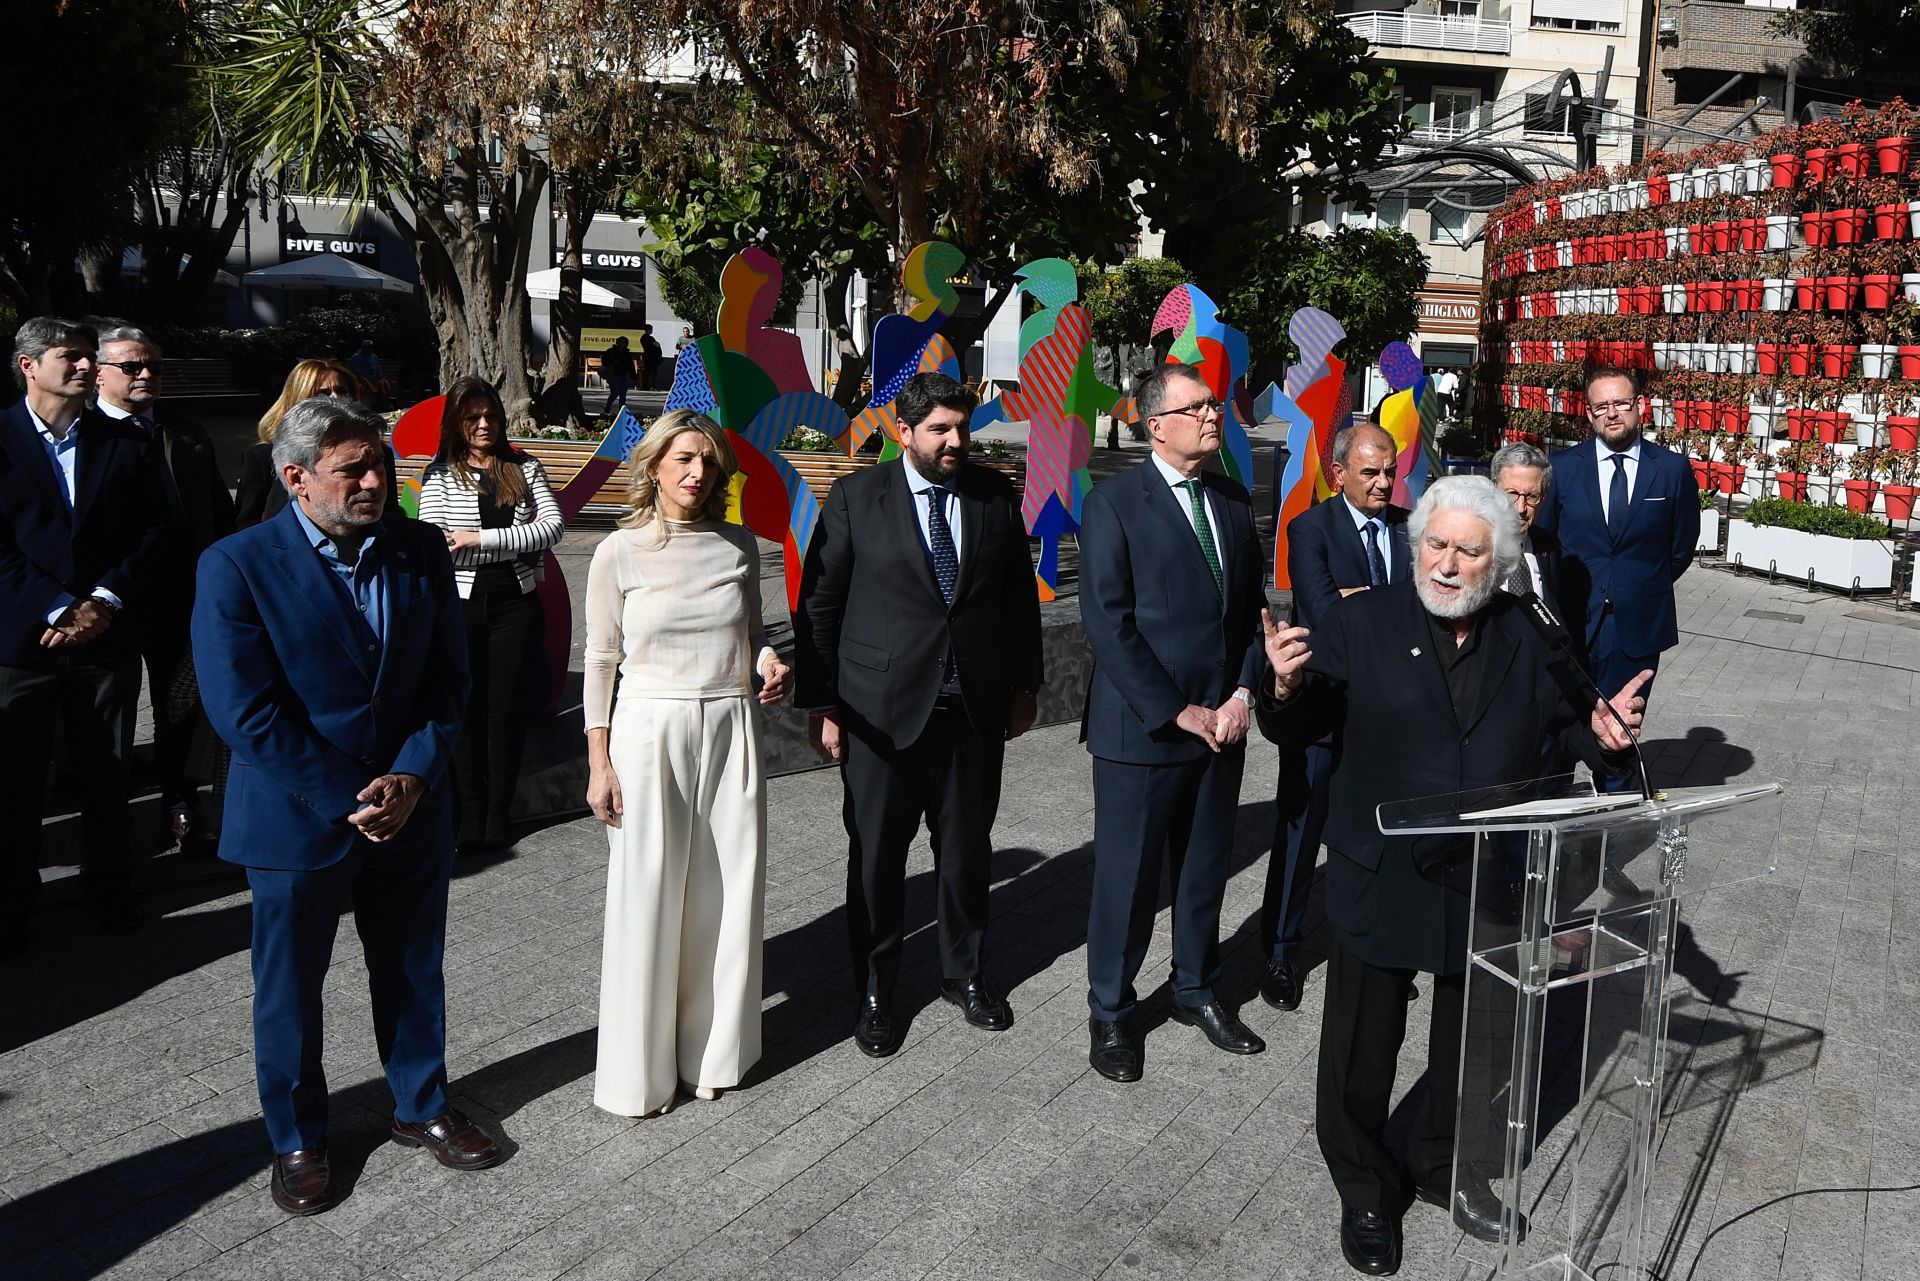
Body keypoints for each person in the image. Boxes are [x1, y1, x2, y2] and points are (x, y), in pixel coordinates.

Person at [1258, 475, 1649, 1276]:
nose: (1446, 562)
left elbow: (1575, 723)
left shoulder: (1530, 631)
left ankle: (1447, 1166)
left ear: (1498, 561)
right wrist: (1283, 684)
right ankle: (1365, 1184)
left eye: (1468, 550)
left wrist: (1607, 737)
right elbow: (1300, 727)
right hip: (1382, 866)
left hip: (1487, 874)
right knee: (1363, 1045)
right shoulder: (1360, 621)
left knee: (1477, 1043)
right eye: (1435, 543)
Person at [192, 396, 498, 1217]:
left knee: (410, 966)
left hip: (409, 807)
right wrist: (345, 796)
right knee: (290, 986)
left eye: (381, 465)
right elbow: (243, 710)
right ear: (295, 478)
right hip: (297, 818)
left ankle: (421, 1104)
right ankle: (297, 1137)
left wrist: (414, 775)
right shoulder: (236, 563)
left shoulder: (420, 548)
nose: (375, 480)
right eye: (352, 470)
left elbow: (448, 679)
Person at [795, 372, 1043, 1057]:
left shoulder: (994, 495)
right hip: (878, 715)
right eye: (939, 429)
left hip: (972, 712)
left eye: (962, 427)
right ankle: (876, 989)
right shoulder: (856, 497)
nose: (955, 440)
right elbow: (819, 606)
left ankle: (963, 974)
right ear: (903, 432)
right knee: (877, 859)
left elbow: (1019, 599)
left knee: (965, 854)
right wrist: (822, 704)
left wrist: (1025, 685)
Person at [582, 410, 792, 1115]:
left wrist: (767, 664)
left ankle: (713, 1055)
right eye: (682, 459)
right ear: (652, 466)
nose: (697, 472)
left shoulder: (740, 545)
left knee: (726, 896)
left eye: (707, 459)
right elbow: (601, 660)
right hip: (647, 729)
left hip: (732, 725)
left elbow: (753, 634)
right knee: (648, 896)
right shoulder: (620, 551)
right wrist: (598, 761)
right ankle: (637, 1075)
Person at [1076, 362, 1266, 1083]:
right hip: (1145, 729)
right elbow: (1108, 623)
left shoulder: (1229, 495)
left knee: (1203, 868)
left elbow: (1250, 611)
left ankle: (1194, 988)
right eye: (1199, 406)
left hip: (1221, 724)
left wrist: (1243, 693)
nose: (1215, 415)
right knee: (1127, 880)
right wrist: (1175, 708)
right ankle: (1112, 1009)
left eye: (1214, 404)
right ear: (1157, 424)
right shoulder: (1114, 503)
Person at [1, 317, 173, 949]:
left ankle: (112, 889)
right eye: (69, 356)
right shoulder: (2, 437)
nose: (82, 365)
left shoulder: (124, 439)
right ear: (28, 365)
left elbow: (155, 527)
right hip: (22, 643)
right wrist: (54, 607)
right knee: (17, 782)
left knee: (107, 774)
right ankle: (13, 905)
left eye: (85, 356)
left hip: (105, 637)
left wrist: (102, 600)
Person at [1259, 424, 1411, 1015]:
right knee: (1301, 834)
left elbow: (1430, 602)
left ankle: (1379, 943)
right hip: (1322, 708)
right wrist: (1384, 606)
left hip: (1390, 713)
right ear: (1339, 472)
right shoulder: (1310, 528)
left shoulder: (1408, 526)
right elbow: (1324, 615)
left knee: (1383, 833)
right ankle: (1279, 950)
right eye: (1370, 472)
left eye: (1389, 471)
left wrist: (1363, 599)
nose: (1382, 482)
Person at [93, 323, 238, 851]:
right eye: (132, 366)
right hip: (109, 603)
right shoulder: (85, 433)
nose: (147, 375)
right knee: (113, 715)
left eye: (153, 365)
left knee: (180, 707)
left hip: (185, 598)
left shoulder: (186, 430)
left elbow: (218, 515)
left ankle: (180, 802)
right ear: (99, 371)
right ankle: (107, 831)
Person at [417, 377, 564, 851]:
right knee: (464, 712)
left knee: (505, 713)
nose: (484, 425)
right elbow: (435, 542)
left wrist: (481, 540)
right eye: (473, 418)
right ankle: (469, 815)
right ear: (457, 424)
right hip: (460, 606)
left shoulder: (524, 467)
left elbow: (552, 528)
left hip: (515, 603)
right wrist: (498, 544)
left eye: (491, 417)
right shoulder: (440, 474)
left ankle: (499, 815)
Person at [1536, 366, 1698, 790]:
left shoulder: (1672, 469)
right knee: (1561, 732)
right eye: (1601, 406)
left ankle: (1610, 835)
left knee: (1621, 733)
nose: (1612, 413)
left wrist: (1638, 588)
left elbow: (1680, 548)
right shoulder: (1563, 468)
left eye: (1621, 403)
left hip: (1638, 626)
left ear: (1639, 407)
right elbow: (1546, 543)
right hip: (1571, 625)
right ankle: (1555, 826)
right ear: (1589, 414)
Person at [236, 359, 361, 526]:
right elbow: (247, 524)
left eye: (342, 391)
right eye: (321, 393)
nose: (335, 398)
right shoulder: (262, 456)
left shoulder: (375, 454)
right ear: (298, 399)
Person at [1491, 440, 1561, 609]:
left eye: (1531, 496)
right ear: (1493, 490)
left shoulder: (1549, 548)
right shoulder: (1470, 545)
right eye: (1512, 494)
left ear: (1543, 499)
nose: (1520, 508)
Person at [599, 336, 634, 417]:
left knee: (623, 394)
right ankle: (608, 406)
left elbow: (631, 365)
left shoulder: (627, 353)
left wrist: (633, 376)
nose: (622, 344)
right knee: (615, 393)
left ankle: (621, 411)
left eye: (624, 342)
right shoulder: (611, 351)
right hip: (614, 374)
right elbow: (604, 360)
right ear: (617, 342)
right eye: (620, 342)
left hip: (624, 375)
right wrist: (613, 362)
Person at [639, 325, 663, 390]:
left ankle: (646, 385)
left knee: (646, 371)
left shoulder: (642, 338)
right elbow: (657, 345)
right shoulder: (649, 338)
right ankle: (652, 385)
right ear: (649, 330)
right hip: (652, 357)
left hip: (647, 356)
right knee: (652, 372)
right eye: (651, 329)